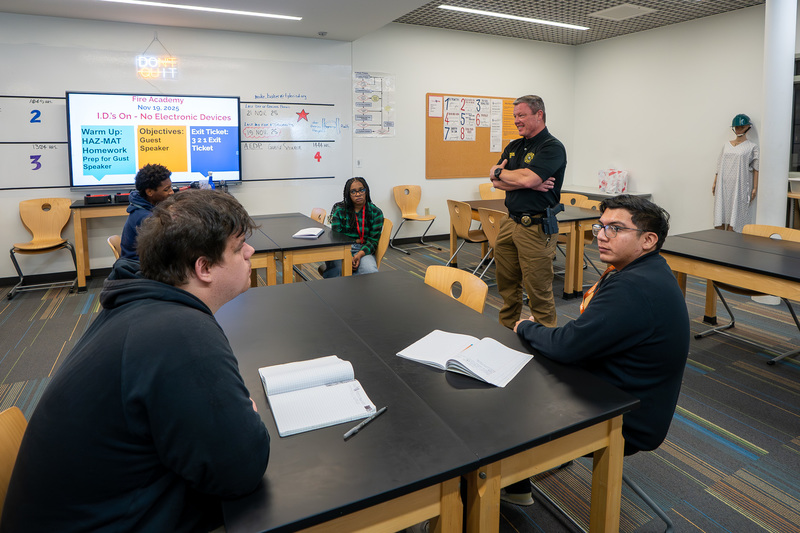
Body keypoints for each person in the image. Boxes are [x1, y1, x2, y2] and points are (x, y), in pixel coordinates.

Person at [2, 189, 271, 532]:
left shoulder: (141, 304)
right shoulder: (179, 334)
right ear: (203, 267)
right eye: (237, 248)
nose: (250, 252)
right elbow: (241, 469)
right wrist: (241, 413)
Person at [503, 195, 690, 505]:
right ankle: (518, 480)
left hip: (626, 415)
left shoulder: (634, 287)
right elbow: (582, 338)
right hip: (618, 389)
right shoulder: (646, 271)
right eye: (600, 226)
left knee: (506, 394)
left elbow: (567, 346)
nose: (601, 235)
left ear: (648, 240)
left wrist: (526, 326)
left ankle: (499, 482)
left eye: (615, 228)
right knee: (526, 369)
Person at [489, 94, 566, 330]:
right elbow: (494, 180)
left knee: (538, 289)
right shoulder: (513, 146)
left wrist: (511, 175)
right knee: (507, 285)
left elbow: (527, 177)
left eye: (521, 115)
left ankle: (547, 339)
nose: (516, 120)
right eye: (514, 116)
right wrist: (516, 179)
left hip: (536, 227)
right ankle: (507, 330)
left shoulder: (552, 147)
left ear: (538, 114)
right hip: (509, 223)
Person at [321, 177, 384, 278]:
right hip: (341, 249)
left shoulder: (376, 212)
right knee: (339, 272)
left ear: (366, 191)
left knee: (370, 271)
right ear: (348, 194)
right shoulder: (340, 211)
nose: (358, 194)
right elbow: (336, 238)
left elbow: (372, 241)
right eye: (353, 191)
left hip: (364, 250)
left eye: (361, 190)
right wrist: (348, 257)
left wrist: (358, 255)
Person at [713, 113, 759, 232]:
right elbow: (719, 163)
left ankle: (732, 244)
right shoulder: (726, 145)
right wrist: (715, 181)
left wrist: (755, 187)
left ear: (747, 127)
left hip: (740, 185)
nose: (738, 130)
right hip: (723, 184)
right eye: (737, 127)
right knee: (720, 215)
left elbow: (756, 167)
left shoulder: (751, 147)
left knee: (736, 218)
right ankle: (720, 245)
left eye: (741, 127)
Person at [120, 163, 174, 260]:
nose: (171, 192)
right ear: (149, 192)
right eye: (166, 189)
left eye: (171, 187)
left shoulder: (144, 206)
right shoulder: (145, 218)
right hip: (139, 267)